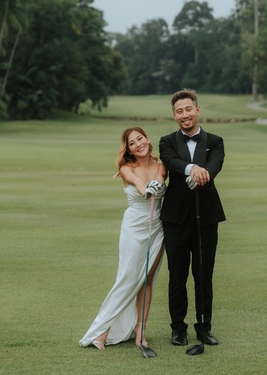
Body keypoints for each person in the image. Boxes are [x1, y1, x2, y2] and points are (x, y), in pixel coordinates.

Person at [80, 127, 167, 350]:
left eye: (140, 139)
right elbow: (138, 183)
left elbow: (159, 177)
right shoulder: (126, 168)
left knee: (147, 279)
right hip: (134, 228)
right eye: (132, 143)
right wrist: (145, 188)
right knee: (127, 279)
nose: (138, 144)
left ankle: (140, 330)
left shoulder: (161, 166)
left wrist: (156, 184)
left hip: (156, 227)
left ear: (148, 139)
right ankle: (102, 331)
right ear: (128, 149)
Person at [159, 89, 225, 347]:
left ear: (197, 110)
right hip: (175, 219)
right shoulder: (167, 141)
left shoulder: (215, 141)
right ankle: (178, 329)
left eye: (188, 109)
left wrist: (204, 172)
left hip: (206, 217)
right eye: (179, 111)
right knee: (177, 275)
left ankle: (204, 327)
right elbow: (171, 161)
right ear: (174, 115)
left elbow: (216, 163)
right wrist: (191, 168)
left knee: (203, 274)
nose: (184, 115)